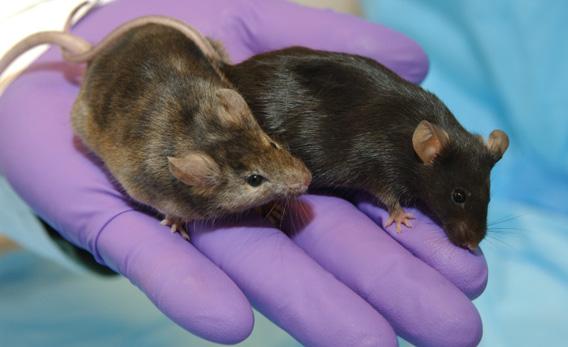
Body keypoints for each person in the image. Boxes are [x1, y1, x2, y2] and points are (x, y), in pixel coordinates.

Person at [0, 0, 487, 346]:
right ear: (198, 181)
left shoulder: (232, 112)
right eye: (257, 181)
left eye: (275, 148)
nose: (300, 179)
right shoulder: (174, 178)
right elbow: (138, 178)